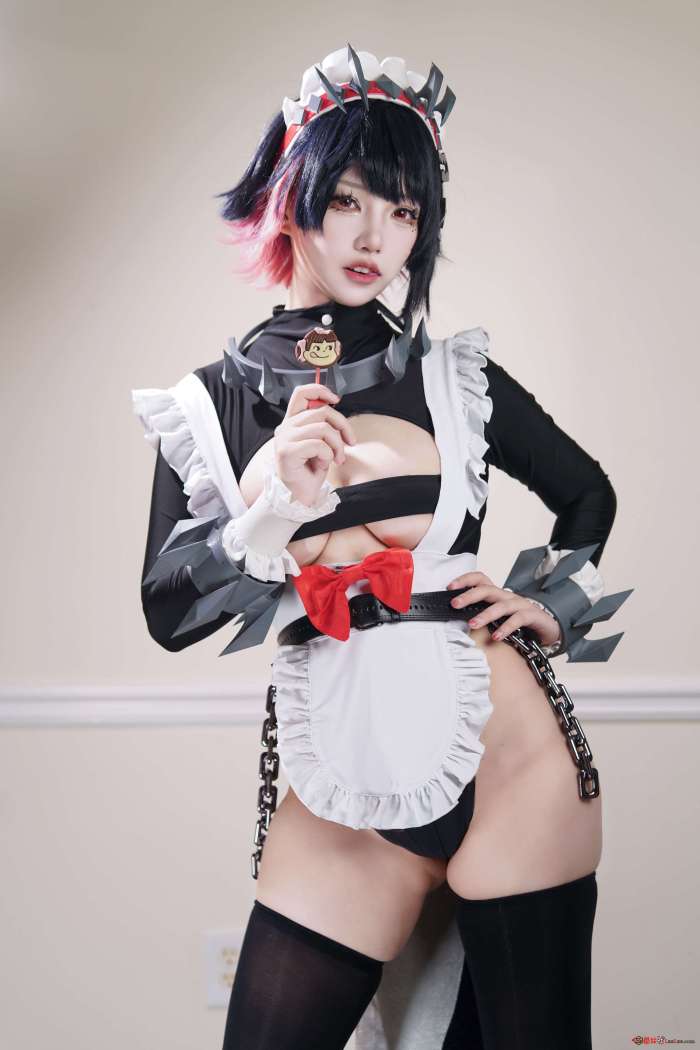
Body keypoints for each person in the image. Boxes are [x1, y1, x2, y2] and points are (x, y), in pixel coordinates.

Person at [131, 45, 632, 1050]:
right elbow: (167, 613)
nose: (375, 237)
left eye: (404, 212)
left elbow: (587, 493)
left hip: (512, 764)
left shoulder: (455, 378)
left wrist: (551, 602)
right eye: (349, 199)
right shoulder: (210, 404)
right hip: (345, 789)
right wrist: (270, 508)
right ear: (292, 196)